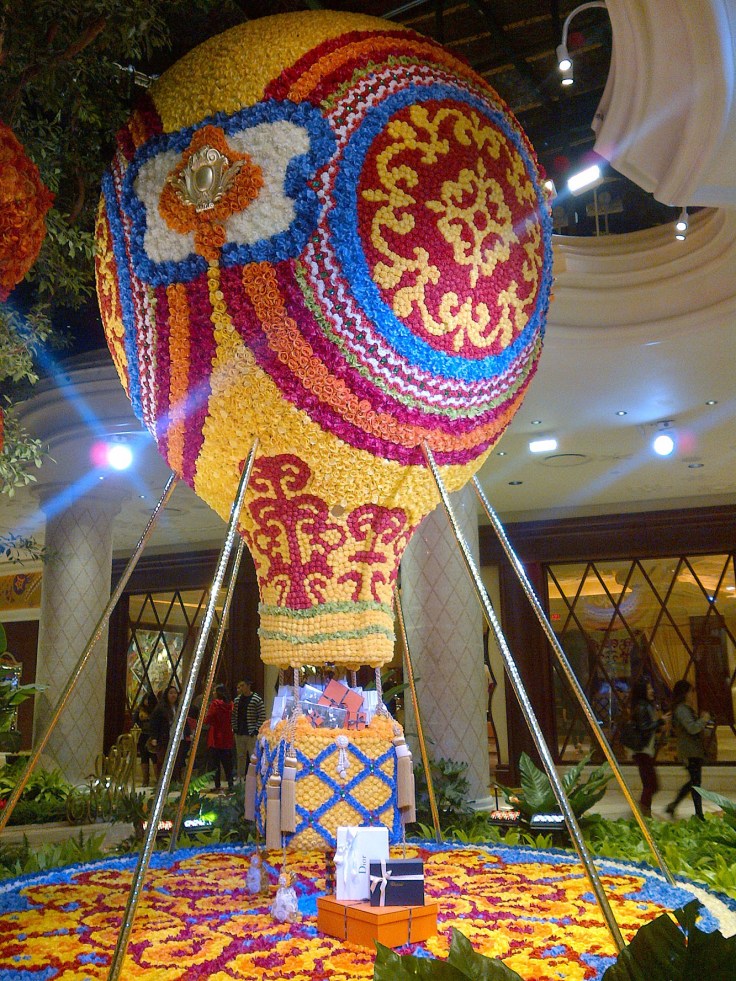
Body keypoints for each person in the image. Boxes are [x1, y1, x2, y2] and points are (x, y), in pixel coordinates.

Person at [666, 679, 712, 821]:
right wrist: (703, 720)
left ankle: (674, 805)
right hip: (690, 752)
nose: (693, 694)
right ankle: (699, 815)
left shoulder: (686, 709)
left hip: (694, 751)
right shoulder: (682, 710)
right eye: (691, 691)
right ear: (685, 693)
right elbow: (692, 728)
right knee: (695, 783)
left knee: (694, 782)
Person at [629, 679, 668, 817]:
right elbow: (643, 728)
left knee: (650, 784)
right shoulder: (641, 707)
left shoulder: (645, 706)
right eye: (649, 688)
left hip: (645, 751)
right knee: (651, 785)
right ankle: (644, 814)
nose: (652, 691)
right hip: (642, 751)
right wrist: (660, 721)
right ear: (642, 692)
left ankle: (644, 811)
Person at [148, 685, 190, 782]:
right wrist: (154, 737)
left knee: (178, 760)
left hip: (179, 738)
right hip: (165, 738)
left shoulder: (179, 707)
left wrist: (188, 733)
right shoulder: (160, 709)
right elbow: (154, 723)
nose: (173, 695)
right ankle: (163, 782)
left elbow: (184, 721)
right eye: (171, 693)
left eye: (175, 693)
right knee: (163, 761)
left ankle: (176, 780)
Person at [231, 678, 265, 782]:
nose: (240, 688)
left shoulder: (256, 699)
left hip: (251, 733)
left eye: (242, 685)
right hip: (240, 732)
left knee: (252, 756)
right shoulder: (237, 700)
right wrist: (235, 728)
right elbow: (234, 715)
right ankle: (240, 776)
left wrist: (256, 730)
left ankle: (254, 777)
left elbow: (262, 715)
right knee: (240, 756)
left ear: (248, 686)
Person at [205, 683, 235, 793]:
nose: (213, 693)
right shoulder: (230, 704)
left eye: (214, 691)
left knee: (215, 763)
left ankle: (217, 785)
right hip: (227, 736)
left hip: (215, 736)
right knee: (228, 763)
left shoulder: (215, 704)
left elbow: (208, 718)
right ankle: (230, 784)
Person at [132, 690, 157, 786]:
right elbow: (135, 722)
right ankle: (145, 779)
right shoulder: (139, 710)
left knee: (154, 757)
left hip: (152, 736)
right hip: (142, 736)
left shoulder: (155, 711)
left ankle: (157, 778)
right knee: (144, 757)